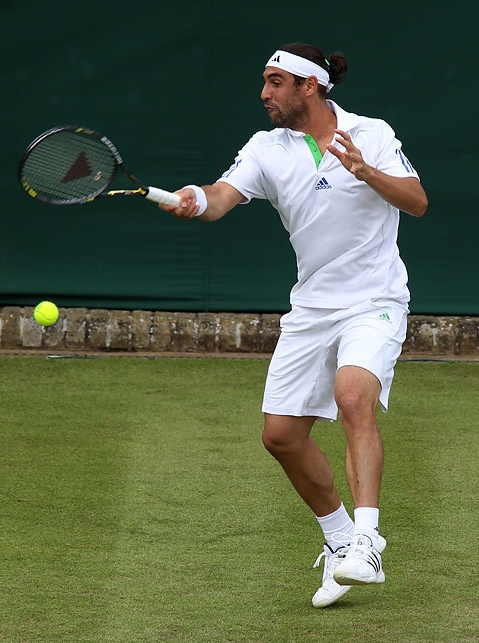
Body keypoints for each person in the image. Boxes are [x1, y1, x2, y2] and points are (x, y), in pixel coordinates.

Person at [160, 42, 428, 608]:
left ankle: (368, 541)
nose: (264, 93)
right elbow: (221, 197)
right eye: (264, 82)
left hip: (374, 299)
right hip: (311, 308)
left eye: (275, 82)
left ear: (310, 86)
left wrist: (365, 170)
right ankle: (339, 540)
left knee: (352, 397)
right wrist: (193, 199)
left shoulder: (371, 132)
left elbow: (417, 201)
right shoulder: (266, 148)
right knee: (281, 436)